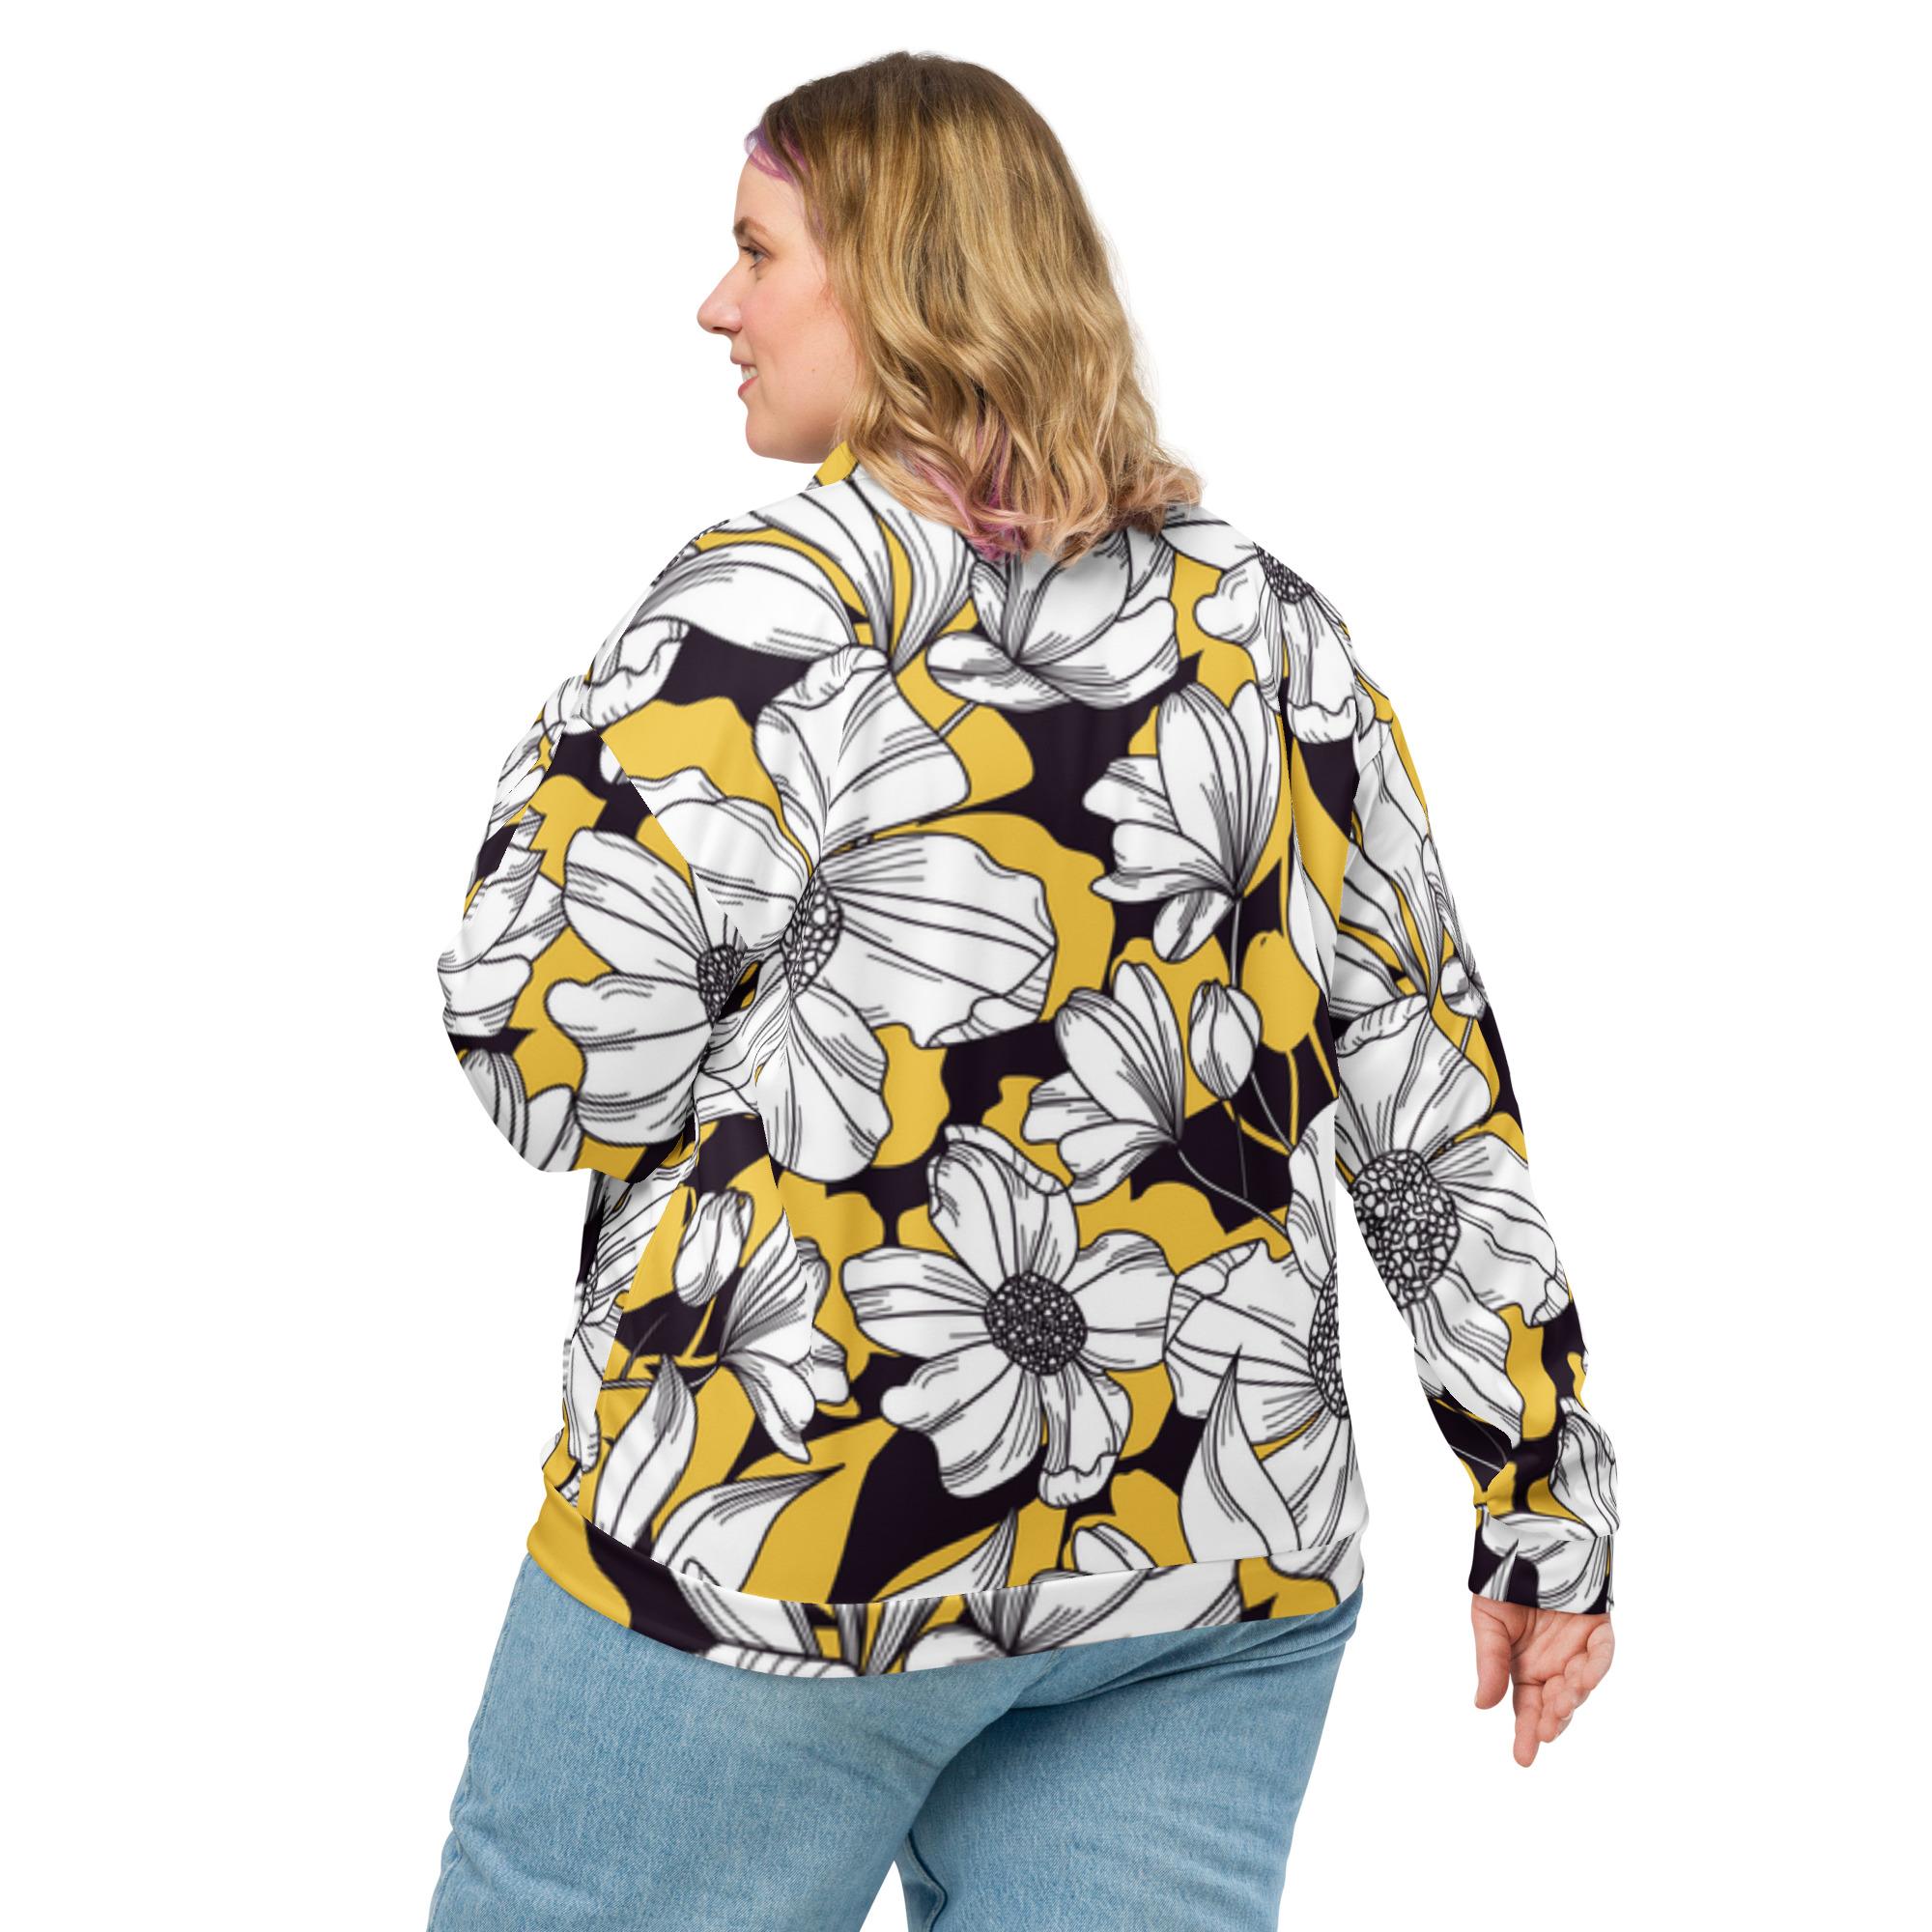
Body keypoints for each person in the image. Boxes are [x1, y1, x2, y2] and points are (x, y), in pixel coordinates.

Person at [424, 50, 1620, 1932]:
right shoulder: (1264, 626)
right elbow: (1424, 1097)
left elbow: (548, 1063)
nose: (719, 305)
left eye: (758, 252)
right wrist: (1540, 1492)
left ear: (899, 282)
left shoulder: (767, 608)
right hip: (1204, 1558)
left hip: (790, 1552)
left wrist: (613, 753)